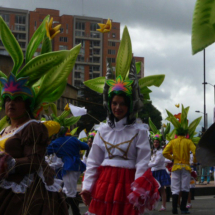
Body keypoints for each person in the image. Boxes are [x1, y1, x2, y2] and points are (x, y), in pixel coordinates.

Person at [0, 15, 81, 215]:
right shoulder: (4, 128)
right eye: (8, 99)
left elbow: (34, 161)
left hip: (24, 194)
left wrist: (8, 163)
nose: (11, 104)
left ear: (27, 104)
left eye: (17, 99)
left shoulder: (33, 127)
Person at [80, 26, 161, 215]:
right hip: (104, 184)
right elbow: (93, 161)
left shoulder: (139, 131)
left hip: (128, 183)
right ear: (109, 104)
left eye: (122, 103)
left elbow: (142, 162)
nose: (118, 107)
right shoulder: (102, 130)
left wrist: (138, 191)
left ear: (130, 105)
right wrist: (87, 186)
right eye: (114, 103)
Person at [47, 130, 89, 215]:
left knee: (70, 192)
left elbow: (46, 151)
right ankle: (65, 210)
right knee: (66, 190)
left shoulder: (56, 142)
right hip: (77, 166)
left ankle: (76, 213)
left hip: (69, 166)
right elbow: (86, 146)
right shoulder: (73, 139)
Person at [148, 134, 171, 211]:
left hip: (160, 171)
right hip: (153, 171)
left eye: (157, 142)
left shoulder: (160, 152)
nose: (155, 143)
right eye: (154, 142)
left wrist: (146, 165)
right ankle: (153, 205)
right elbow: (152, 161)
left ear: (159, 143)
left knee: (161, 189)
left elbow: (156, 162)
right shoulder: (154, 151)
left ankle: (163, 206)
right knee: (152, 190)